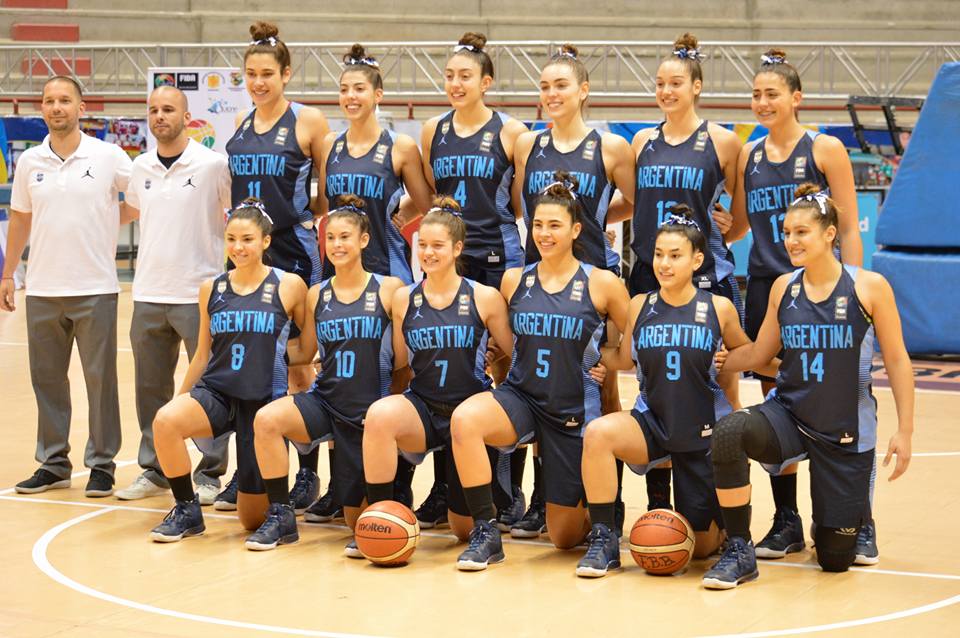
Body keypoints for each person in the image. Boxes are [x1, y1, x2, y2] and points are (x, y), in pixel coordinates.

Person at [701, 185, 913, 589]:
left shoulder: (869, 287)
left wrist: (905, 431)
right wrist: (718, 358)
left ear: (829, 234)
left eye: (802, 232)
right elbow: (761, 352)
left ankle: (853, 519)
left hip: (843, 428)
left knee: (835, 559)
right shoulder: (784, 287)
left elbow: (899, 361)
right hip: (790, 415)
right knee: (729, 432)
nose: (791, 241)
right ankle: (740, 550)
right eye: (786, 232)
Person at [577, 207, 777, 578]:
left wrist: (753, 363)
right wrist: (583, 354)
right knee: (598, 433)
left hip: (702, 431)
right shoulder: (640, 304)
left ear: (697, 260)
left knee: (698, 548)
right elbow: (623, 358)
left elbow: (749, 354)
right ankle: (604, 539)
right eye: (658, 254)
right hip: (652, 421)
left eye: (675, 255)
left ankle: (730, 533)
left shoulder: (719, 308)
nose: (664, 264)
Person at [727, 48, 866, 561]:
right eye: (756, 95)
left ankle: (858, 518)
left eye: (772, 94)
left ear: (796, 97)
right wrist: (718, 228)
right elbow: (741, 223)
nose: (762, 103)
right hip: (770, 284)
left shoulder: (825, 148)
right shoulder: (749, 154)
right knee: (776, 398)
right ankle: (786, 518)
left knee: (847, 400)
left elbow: (847, 227)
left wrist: (853, 288)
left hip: (827, 291)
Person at [449, 175, 629, 571]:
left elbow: (635, 342)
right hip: (522, 396)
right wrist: (491, 360)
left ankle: (600, 518)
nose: (544, 234)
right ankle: (486, 532)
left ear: (576, 230)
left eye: (555, 225)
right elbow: (504, 342)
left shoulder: (603, 283)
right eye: (538, 224)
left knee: (563, 538)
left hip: (570, 408)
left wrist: (607, 360)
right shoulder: (515, 279)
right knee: (465, 420)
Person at [511, 44, 636, 537]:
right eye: (544, 86)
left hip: (591, 283)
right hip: (539, 277)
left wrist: (596, 220)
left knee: (601, 387)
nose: (551, 94)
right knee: (538, 386)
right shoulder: (528, 145)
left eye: (561, 85)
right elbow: (523, 207)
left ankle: (610, 503)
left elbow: (637, 202)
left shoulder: (611, 147)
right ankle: (542, 497)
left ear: (584, 90)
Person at [307, 44, 433, 524]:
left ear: (378, 94)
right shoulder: (329, 145)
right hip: (339, 274)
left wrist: (391, 218)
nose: (350, 96)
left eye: (359, 88)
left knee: (394, 375)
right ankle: (338, 486)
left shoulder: (400, 148)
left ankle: (395, 484)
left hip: (387, 271)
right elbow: (327, 210)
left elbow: (425, 204)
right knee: (335, 374)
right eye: (344, 89)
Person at [625, 33, 746, 512]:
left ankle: (724, 504)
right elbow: (633, 203)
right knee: (653, 386)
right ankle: (660, 507)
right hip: (649, 273)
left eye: (676, 82)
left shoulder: (723, 142)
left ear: (696, 86)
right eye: (660, 83)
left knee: (721, 383)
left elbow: (739, 218)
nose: (666, 91)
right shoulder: (642, 141)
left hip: (705, 276)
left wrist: (727, 227)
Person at [245, 195, 405, 550]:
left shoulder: (389, 289)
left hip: (367, 413)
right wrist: (258, 345)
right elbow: (305, 352)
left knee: (358, 523)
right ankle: (281, 516)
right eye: (330, 237)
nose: (336, 245)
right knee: (268, 420)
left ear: (364, 240)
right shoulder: (317, 294)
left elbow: (401, 360)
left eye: (345, 237)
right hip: (326, 401)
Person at [419, 32, 529, 529]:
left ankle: (509, 491)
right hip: (450, 263)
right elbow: (432, 199)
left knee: (505, 371)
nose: (456, 84)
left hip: (498, 261)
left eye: (465, 76)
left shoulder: (512, 133)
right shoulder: (432, 131)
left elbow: (521, 204)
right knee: (450, 374)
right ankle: (448, 488)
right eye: (449, 76)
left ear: (486, 82)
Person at [2, 76, 132, 497]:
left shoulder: (108, 155)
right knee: (47, 380)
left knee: (100, 382)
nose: (56, 107)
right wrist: (8, 273)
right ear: (42, 108)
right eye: (48, 101)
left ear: (81, 107)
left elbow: (140, 198)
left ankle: (102, 464)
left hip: (95, 288)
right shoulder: (30, 161)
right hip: (42, 288)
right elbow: (20, 218)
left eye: (64, 100)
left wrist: (109, 219)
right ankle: (54, 462)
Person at [149, 199, 306, 542]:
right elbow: (202, 355)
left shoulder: (290, 285)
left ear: (265, 241)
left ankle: (281, 514)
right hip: (218, 393)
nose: (238, 247)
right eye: (231, 239)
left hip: (262, 401)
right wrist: (180, 400)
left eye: (247, 239)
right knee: (165, 421)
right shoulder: (212, 288)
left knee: (250, 520)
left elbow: (304, 350)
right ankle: (187, 510)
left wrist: (288, 373)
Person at [360, 197, 514, 547]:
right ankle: (378, 517)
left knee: (461, 530)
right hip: (424, 407)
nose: (428, 253)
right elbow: (400, 361)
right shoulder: (404, 298)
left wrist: (492, 357)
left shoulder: (484, 297)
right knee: (380, 416)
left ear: (457, 248)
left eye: (437, 246)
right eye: (423, 245)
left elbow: (516, 350)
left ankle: (485, 529)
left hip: (469, 414)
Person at [224, 21, 331, 512]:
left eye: (267, 73)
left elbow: (328, 190)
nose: (259, 82)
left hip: (294, 251)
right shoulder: (240, 123)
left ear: (286, 74)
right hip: (249, 256)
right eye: (251, 74)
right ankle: (249, 471)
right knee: (250, 365)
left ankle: (307, 473)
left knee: (299, 365)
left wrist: (306, 221)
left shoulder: (308, 122)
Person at [115, 85, 231, 503]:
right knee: (150, 388)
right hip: (148, 291)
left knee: (209, 386)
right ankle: (156, 468)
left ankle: (210, 472)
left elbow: (237, 217)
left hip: (198, 291)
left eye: (168, 109)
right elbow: (135, 212)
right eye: (153, 110)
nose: (159, 116)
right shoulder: (140, 167)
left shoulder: (213, 165)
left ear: (186, 116)